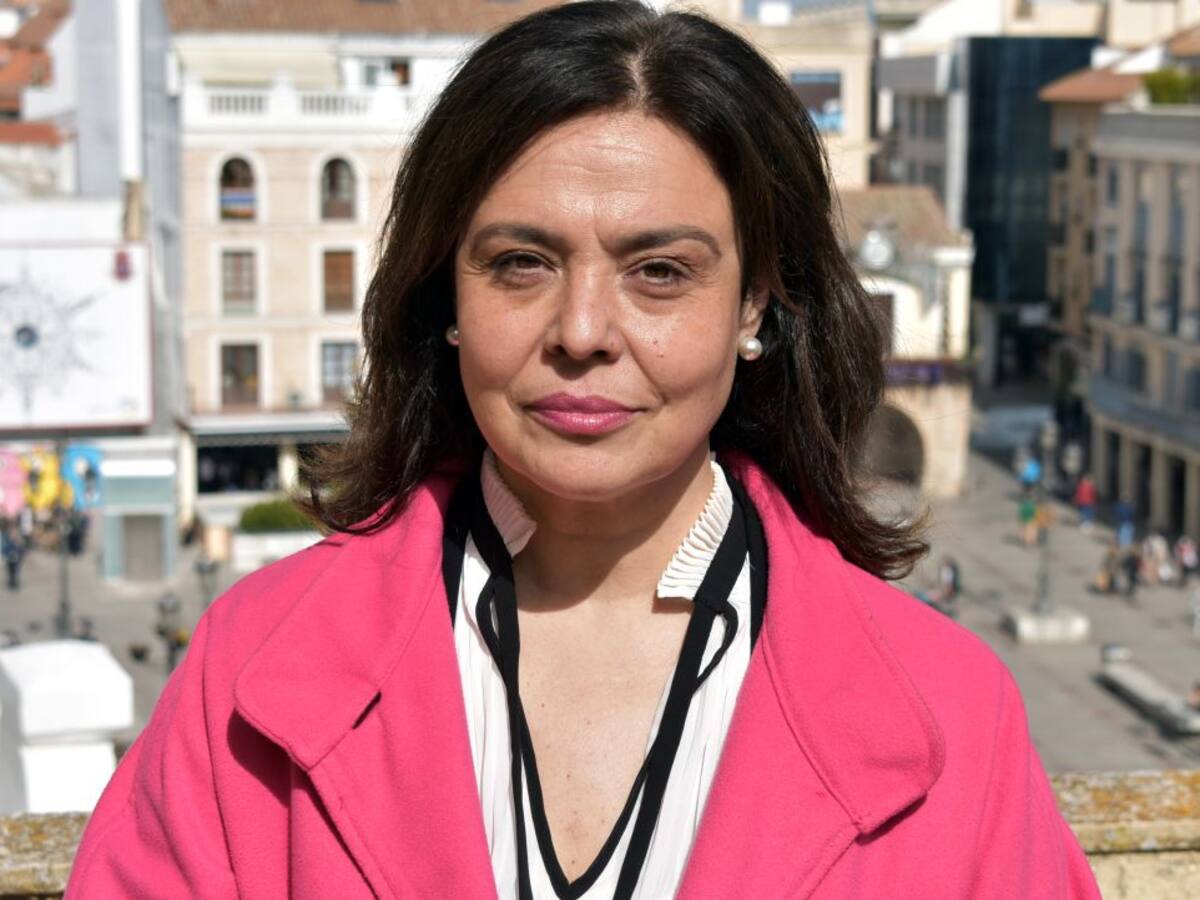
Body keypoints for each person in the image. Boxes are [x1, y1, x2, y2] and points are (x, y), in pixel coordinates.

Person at [65, 4, 1098, 898]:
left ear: (754, 303)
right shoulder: (254, 671)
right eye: (521, 263)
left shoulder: (950, 714)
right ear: (446, 295)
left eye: (659, 272)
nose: (583, 331)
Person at [1, 518, 23, 591]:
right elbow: (4, 548)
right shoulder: (6, 538)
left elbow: (21, 549)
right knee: (10, 571)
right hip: (10, 558)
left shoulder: (18, 538)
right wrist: (7, 553)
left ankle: (14, 582)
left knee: (16, 571)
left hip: (16, 559)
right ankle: (11, 583)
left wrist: (19, 547)